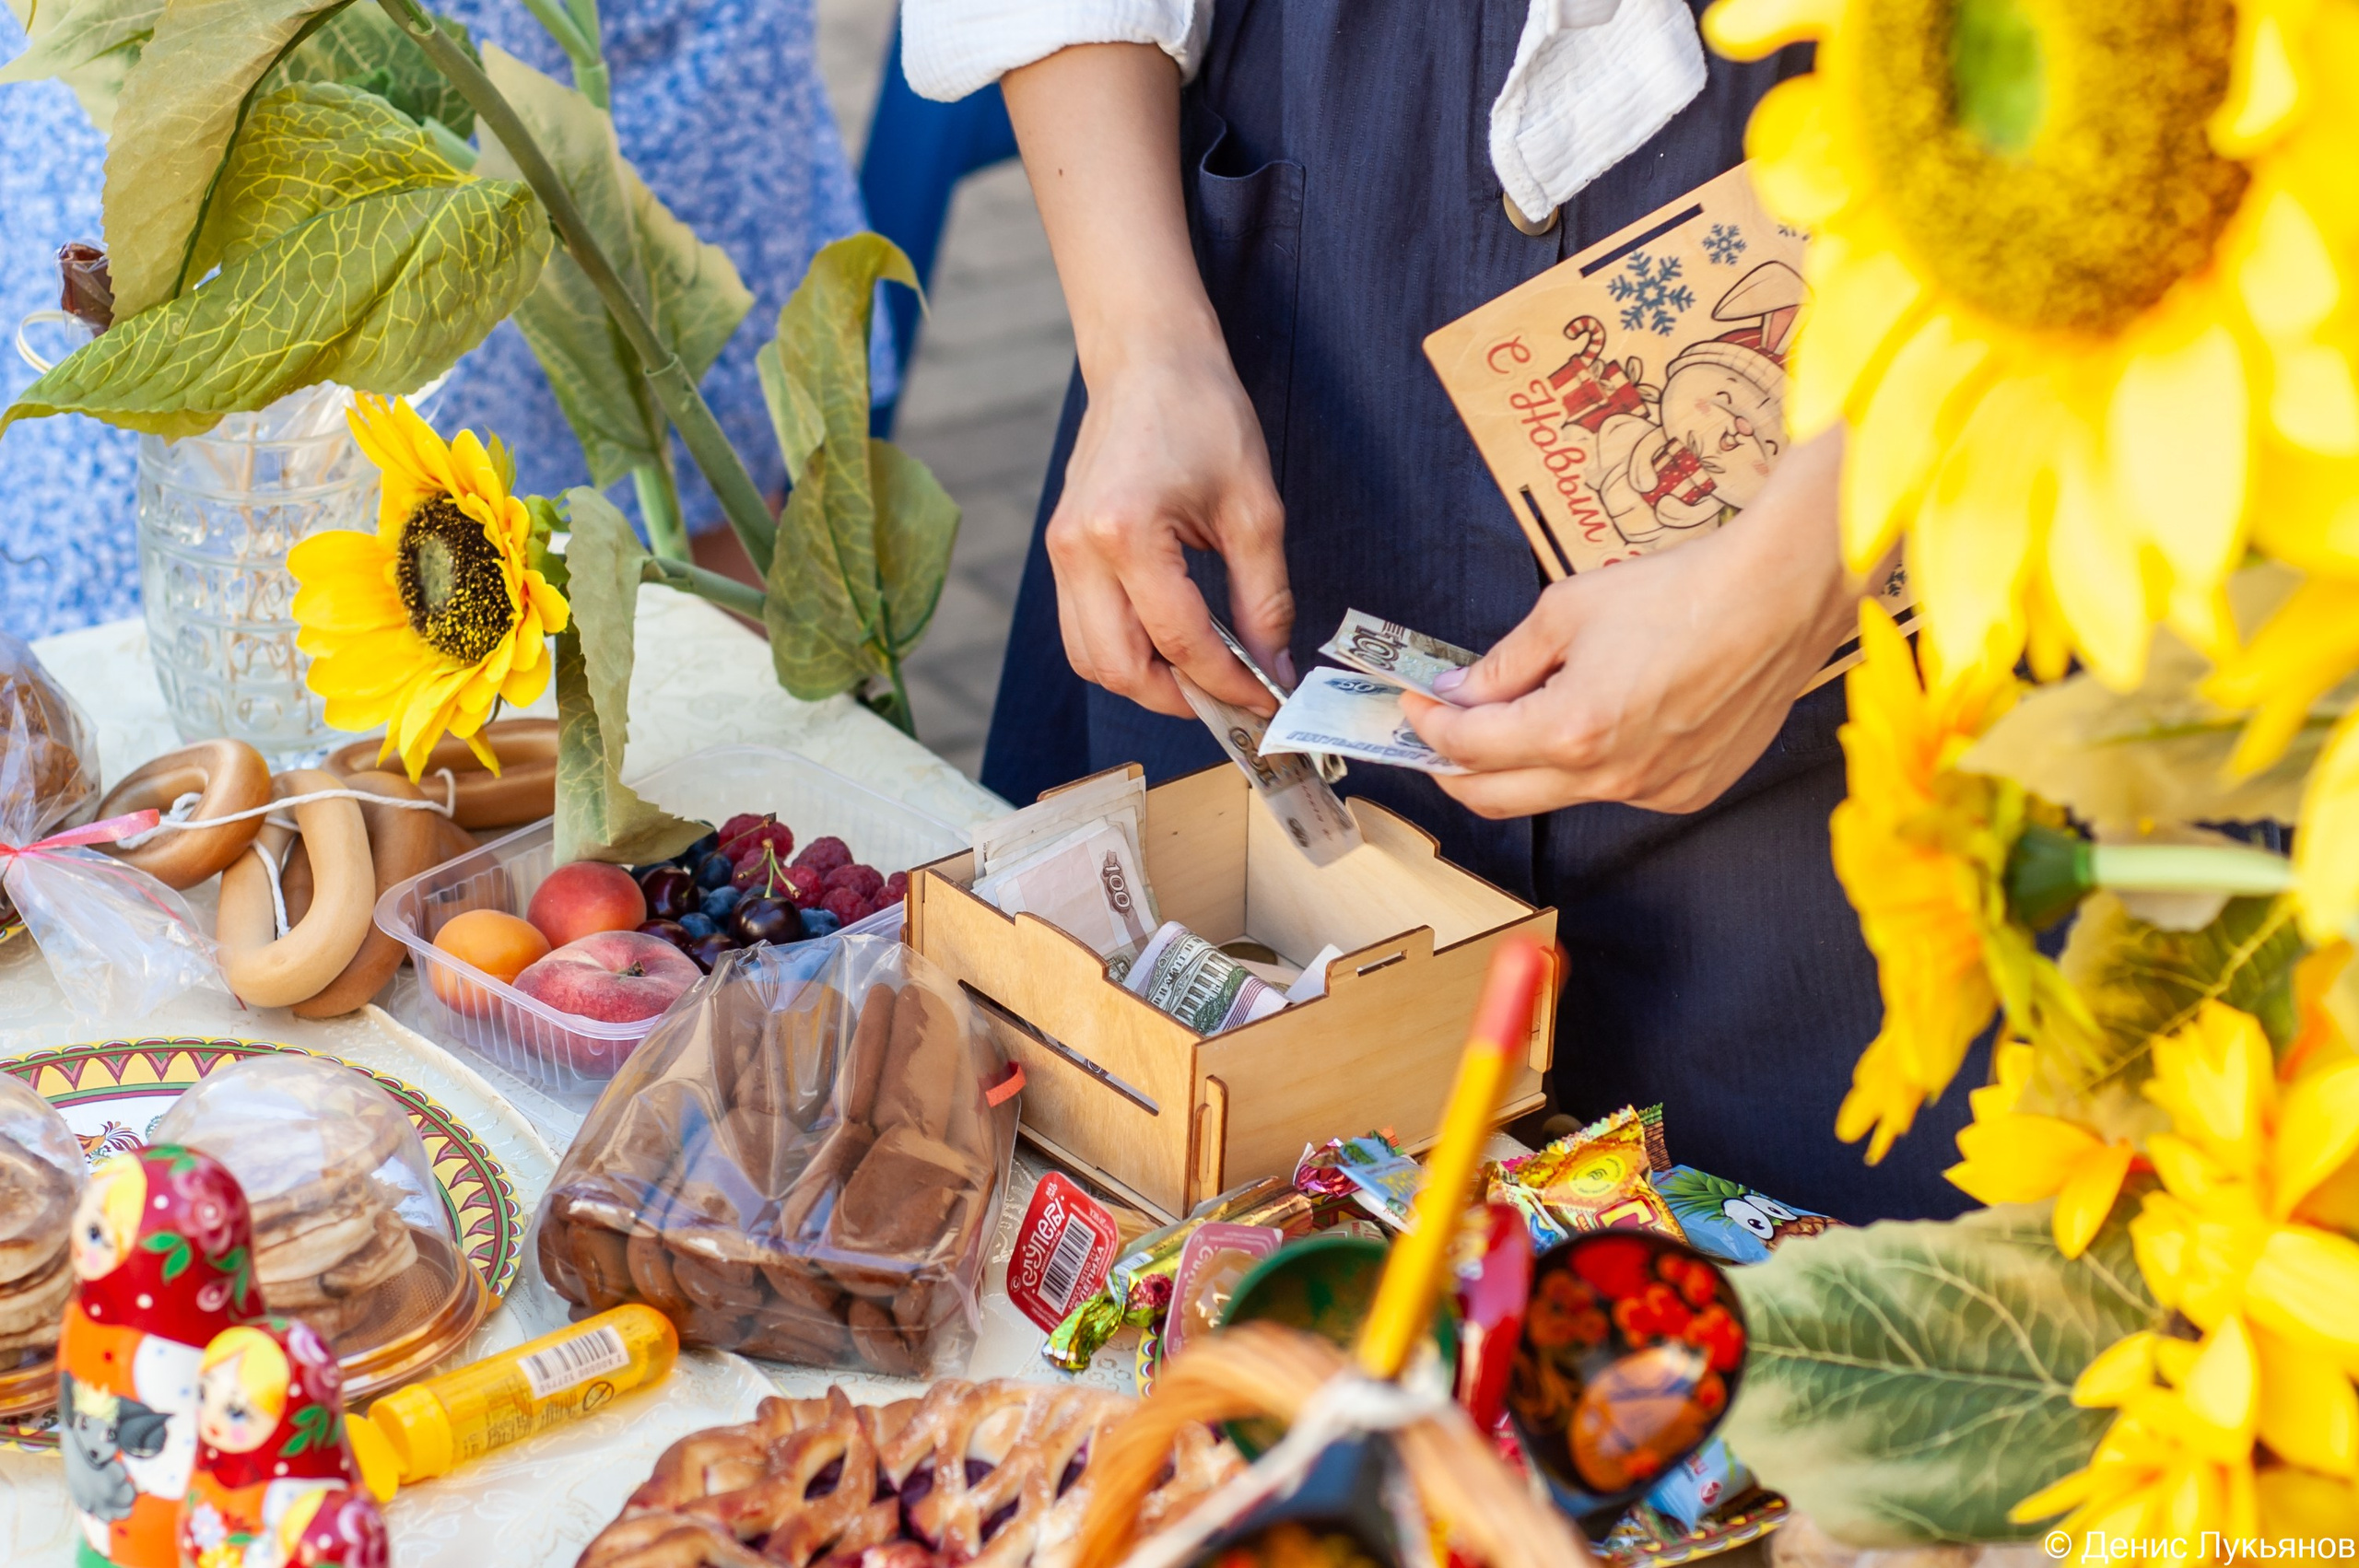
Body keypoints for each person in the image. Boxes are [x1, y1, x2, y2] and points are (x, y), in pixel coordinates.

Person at [903, 0, 1974, 1223]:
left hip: (1903, 279)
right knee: (1160, 1256)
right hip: (1316, 268)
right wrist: (1141, 340)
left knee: (1806, 1341)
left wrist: (1812, 559)